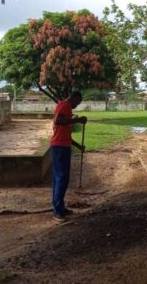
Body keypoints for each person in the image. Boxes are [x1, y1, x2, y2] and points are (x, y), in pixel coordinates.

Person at [50, 90, 87, 222]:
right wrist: (78, 119)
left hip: (63, 146)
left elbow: (65, 134)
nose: (77, 105)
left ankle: (59, 207)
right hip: (59, 147)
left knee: (61, 178)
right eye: (78, 102)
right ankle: (57, 211)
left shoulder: (66, 108)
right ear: (73, 98)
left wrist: (78, 146)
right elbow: (59, 120)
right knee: (61, 178)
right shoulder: (64, 105)